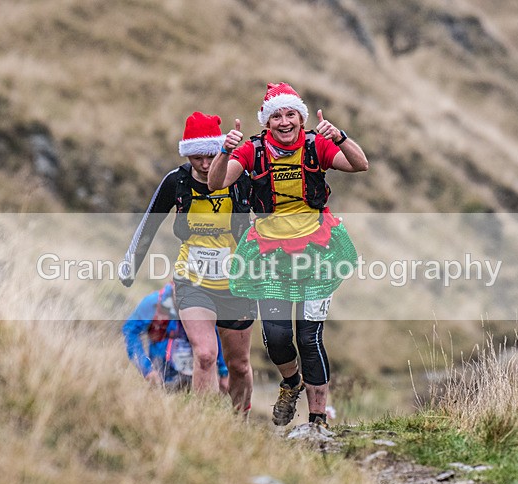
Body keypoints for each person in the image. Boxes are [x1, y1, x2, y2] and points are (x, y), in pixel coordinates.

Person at [208, 82, 369, 428]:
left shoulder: (316, 145)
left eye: (290, 114)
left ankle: (317, 419)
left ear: (301, 117)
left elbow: (360, 164)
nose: (284, 122)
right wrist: (224, 151)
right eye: (276, 116)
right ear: (266, 122)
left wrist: (339, 136)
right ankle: (291, 382)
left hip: (317, 252)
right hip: (269, 255)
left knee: (309, 337)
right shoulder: (252, 150)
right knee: (278, 338)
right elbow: (215, 184)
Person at [118, 112, 257, 414]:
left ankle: (239, 424)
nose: (206, 165)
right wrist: (130, 265)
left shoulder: (240, 180)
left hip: (237, 283)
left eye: (211, 156)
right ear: (187, 154)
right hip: (192, 281)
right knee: (205, 354)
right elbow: (149, 224)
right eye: (197, 158)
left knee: (239, 366)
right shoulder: (176, 181)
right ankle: (203, 424)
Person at [122, 282, 229, 393]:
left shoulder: (203, 307)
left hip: (197, 376)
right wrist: (147, 369)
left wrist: (224, 371)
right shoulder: (154, 303)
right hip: (163, 377)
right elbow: (130, 331)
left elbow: (215, 337)